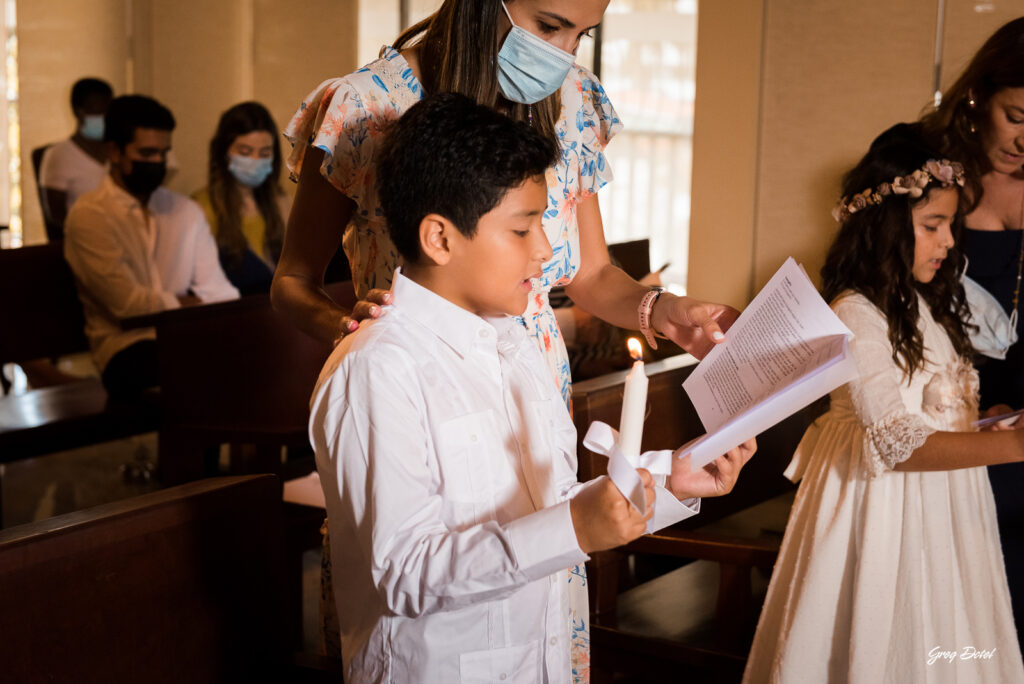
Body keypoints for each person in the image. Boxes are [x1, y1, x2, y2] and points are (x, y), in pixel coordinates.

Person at [274, 2, 738, 673]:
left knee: (534, 576)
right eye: (551, 26)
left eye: (584, 34)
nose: (566, 52)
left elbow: (586, 272)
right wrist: (357, 331)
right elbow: (407, 570)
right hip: (410, 361)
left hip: (516, 368)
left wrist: (669, 478)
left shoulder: (522, 341)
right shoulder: (365, 106)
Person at [742, 124, 1024, 683]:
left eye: (949, 225)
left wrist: (981, 423)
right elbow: (892, 440)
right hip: (878, 513)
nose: (949, 241)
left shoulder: (925, 306)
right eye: (932, 225)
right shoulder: (855, 312)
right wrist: (1015, 446)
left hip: (944, 508)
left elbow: (934, 408)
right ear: (886, 225)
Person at [919, 16, 1024, 649]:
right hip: (944, 422)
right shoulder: (927, 170)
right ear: (981, 94)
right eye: (1017, 115)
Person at [64, 95, 239, 398]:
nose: (158, 163)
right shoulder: (90, 215)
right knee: (203, 370)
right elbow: (128, 306)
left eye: (163, 153)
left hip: (188, 340)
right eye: (147, 153)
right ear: (114, 152)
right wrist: (188, 303)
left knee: (249, 354)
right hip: (126, 349)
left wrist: (181, 304)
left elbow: (222, 293)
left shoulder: (185, 211)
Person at [193, 102, 289, 295]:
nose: (254, 160)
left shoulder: (281, 202)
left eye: (264, 153)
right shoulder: (203, 207)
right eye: (245, 152)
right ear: (224, 152)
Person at [39, 77, 114, 237]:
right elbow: (56, 215)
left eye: (107, 111)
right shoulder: (58, 155)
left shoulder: (119, 152)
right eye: (96, 111)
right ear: (78, 111)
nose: (103, 117)